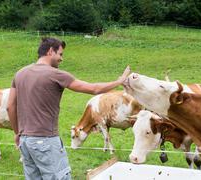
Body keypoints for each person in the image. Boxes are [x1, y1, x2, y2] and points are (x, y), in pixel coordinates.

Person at [7, 37, 131, 179]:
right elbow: (94, 89)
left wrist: (18, 133)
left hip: (26, 141)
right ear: (50, 51)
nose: (61, 59)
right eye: (60, 54)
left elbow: (10, 106)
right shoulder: (56, 75)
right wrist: (119, 81)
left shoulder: (20, 74)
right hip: (45, 140)